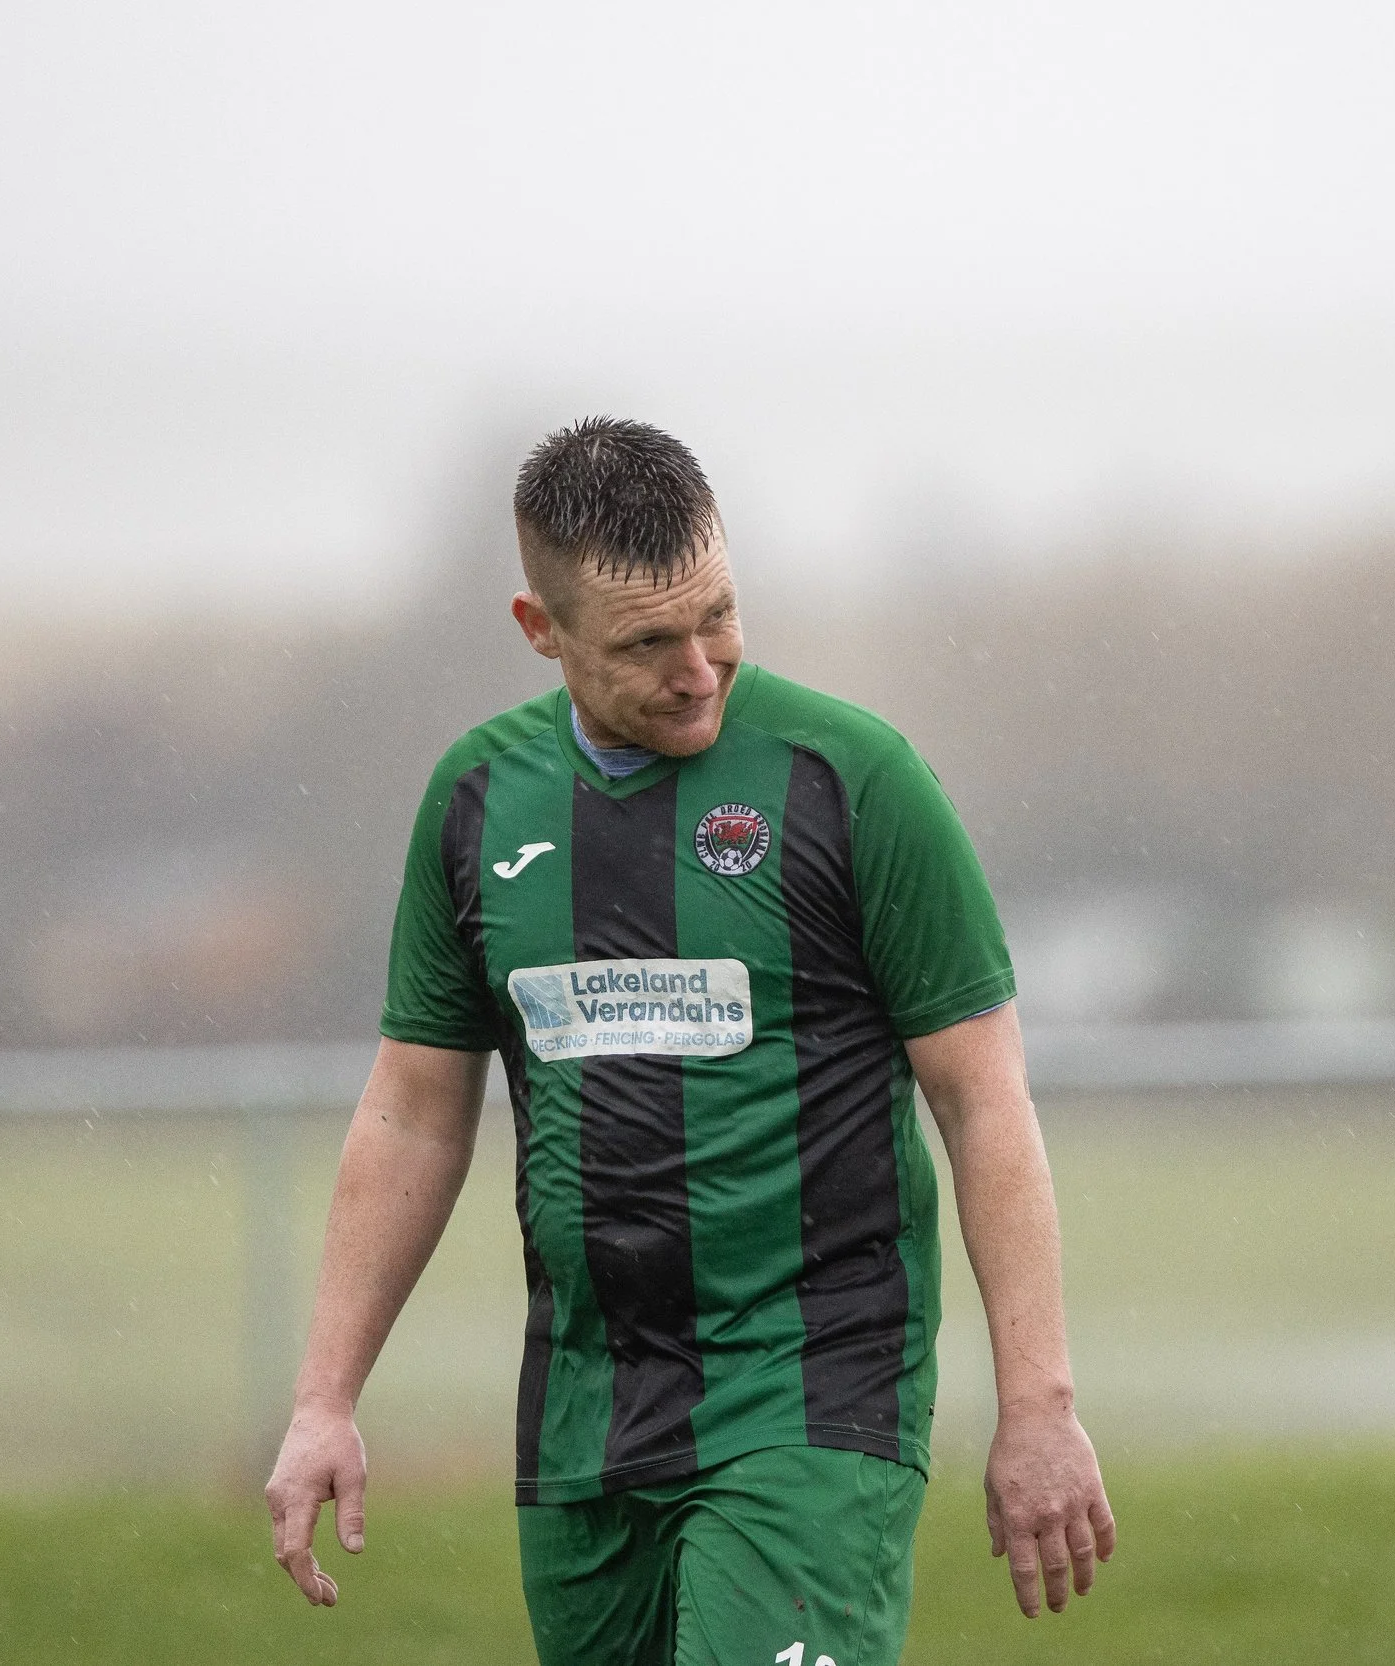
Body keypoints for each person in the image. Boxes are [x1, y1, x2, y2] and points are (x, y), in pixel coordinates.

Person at [265, 417, 1114, 1663]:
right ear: (539, 629)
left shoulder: (854, 779)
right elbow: (412, 1111)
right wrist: (323, 1398)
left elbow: (985, 1100)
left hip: (811, 1394)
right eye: (648, 643)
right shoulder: (477, 800)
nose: (700, 667)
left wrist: (1038, 1405)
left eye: (717, 614)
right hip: (582, 1422)